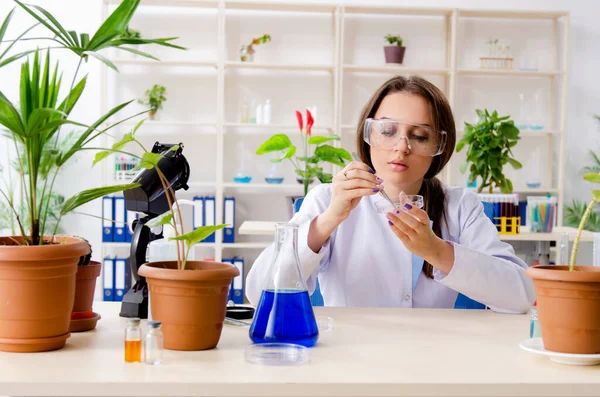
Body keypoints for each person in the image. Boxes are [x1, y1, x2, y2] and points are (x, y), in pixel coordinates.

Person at [246, 75, 535, 313]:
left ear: (439, 147)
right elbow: (259, 292)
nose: (402, 147)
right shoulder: (326, 199)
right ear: (368, 134)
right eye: (387, 131)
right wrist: (329, 220)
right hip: (352, 358)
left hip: (435, 358)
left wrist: (434, 249)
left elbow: (521, 296)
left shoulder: (459, 206)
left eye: (420, 136)